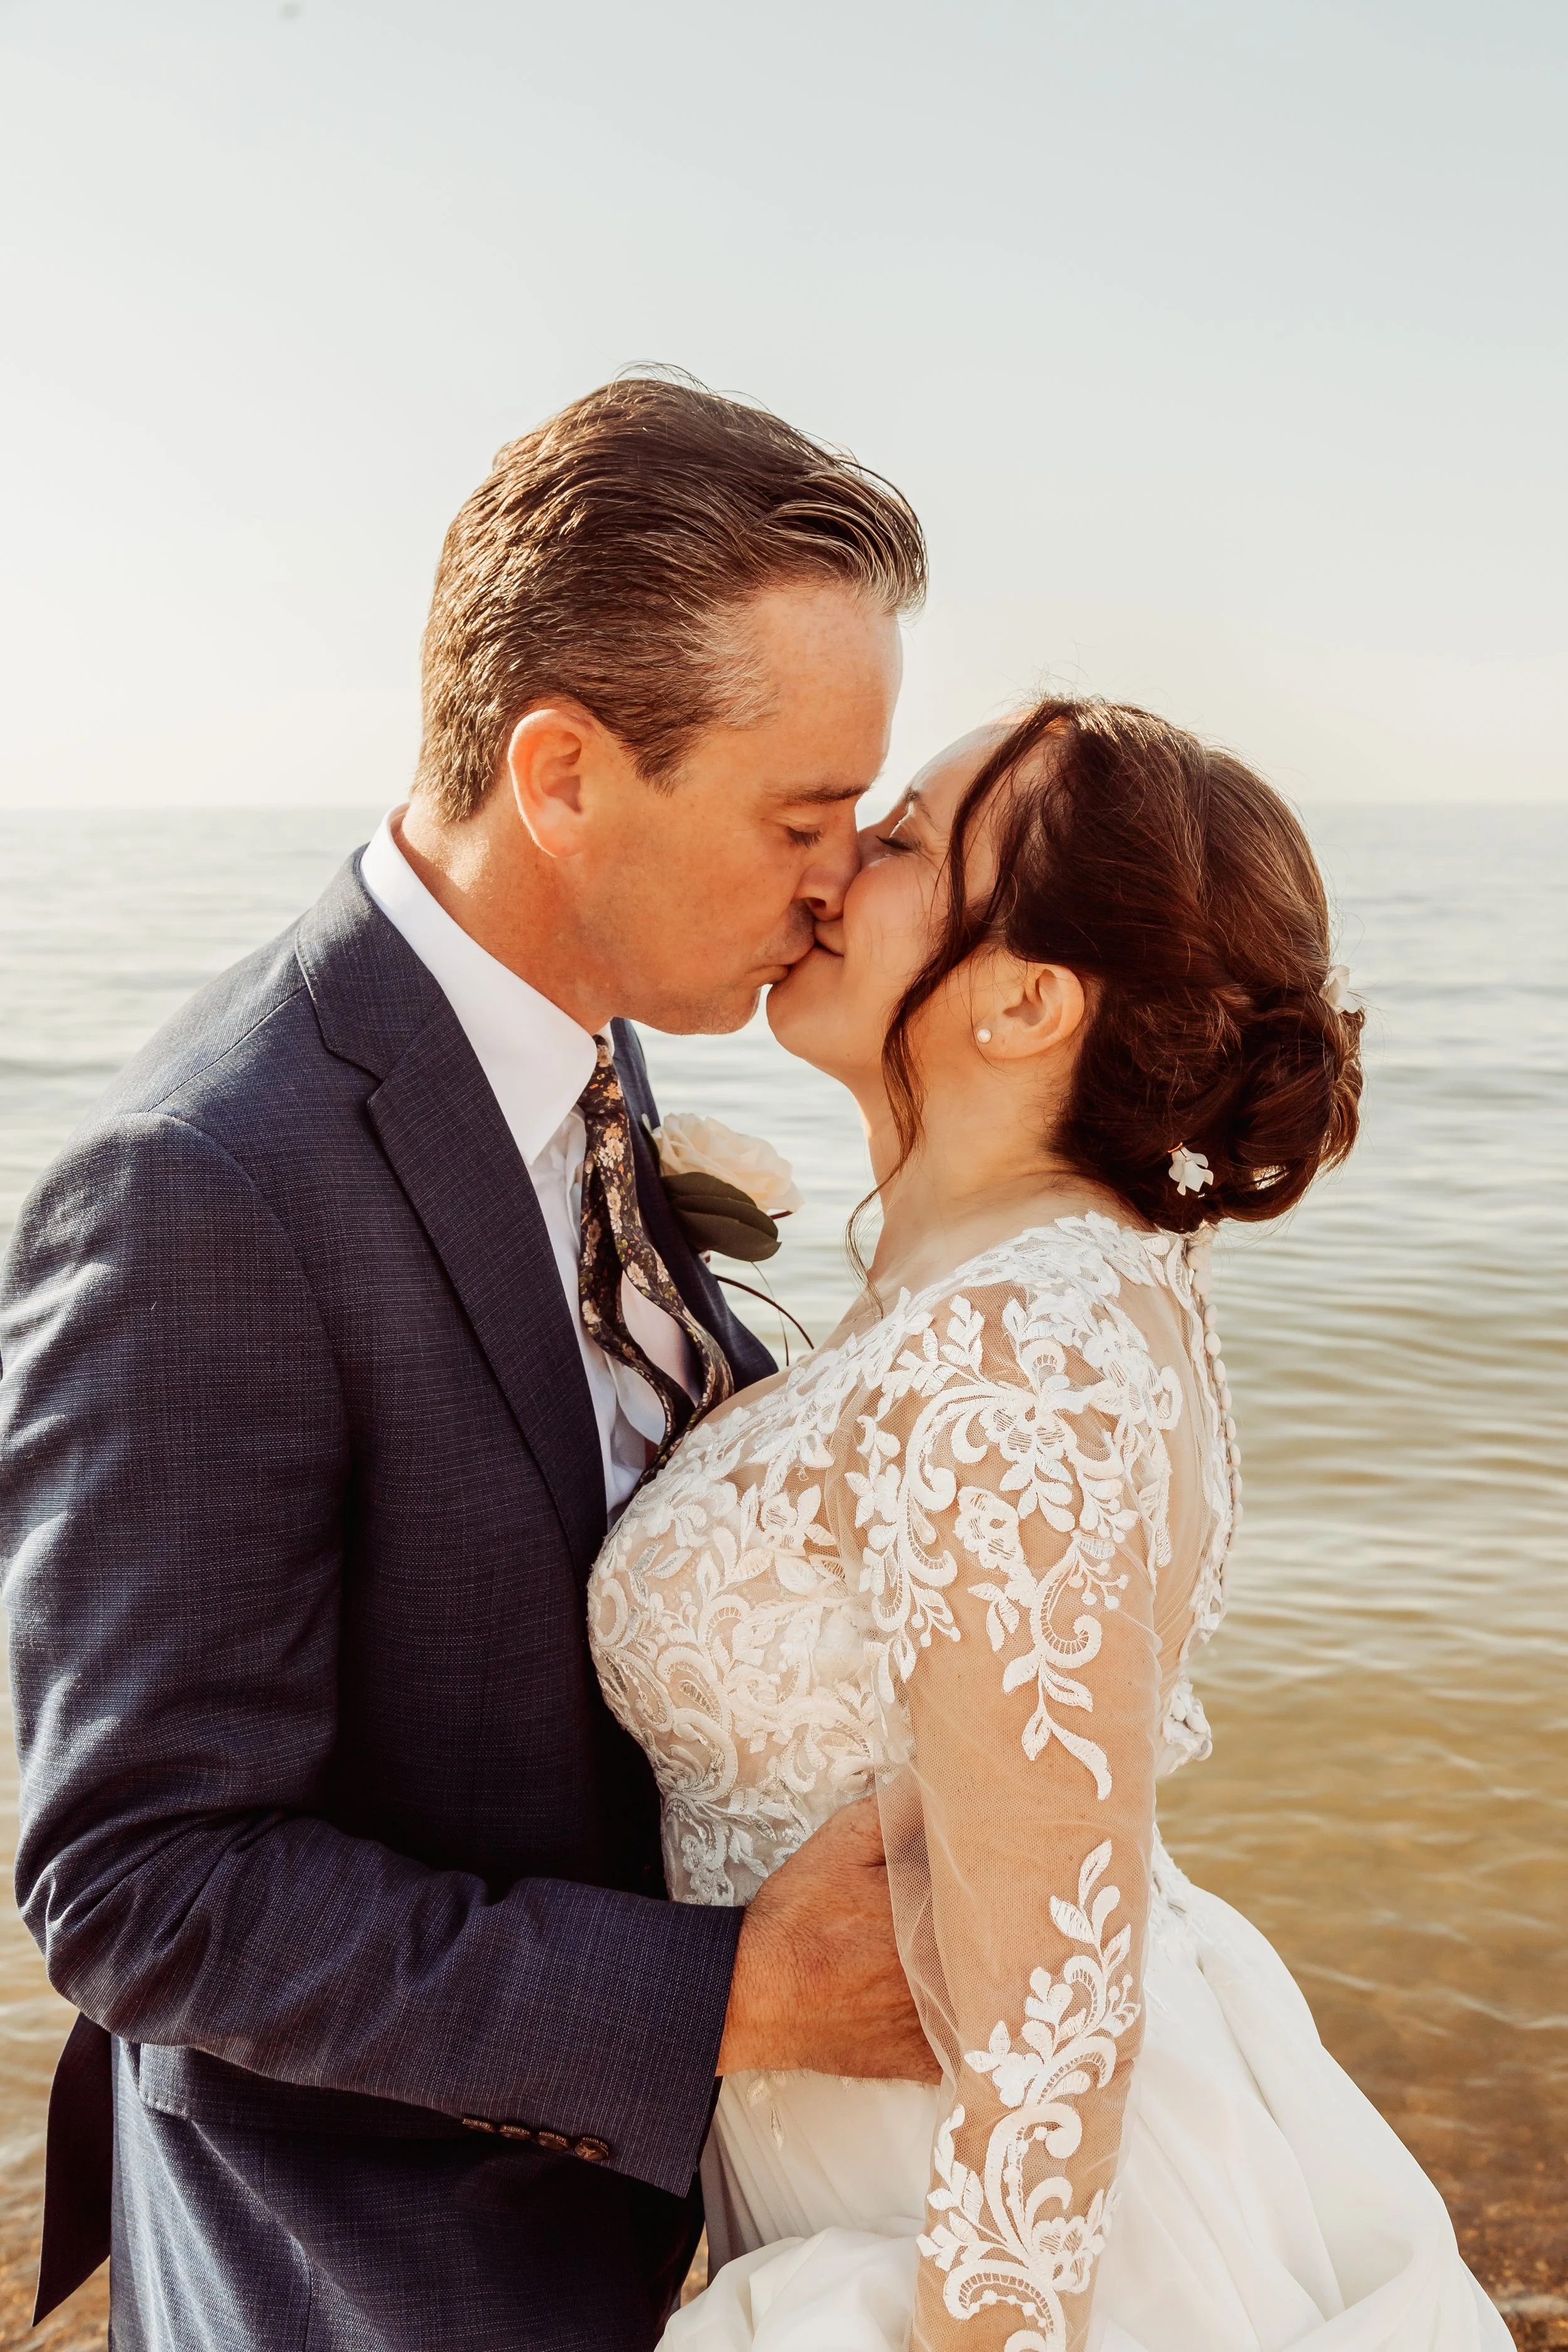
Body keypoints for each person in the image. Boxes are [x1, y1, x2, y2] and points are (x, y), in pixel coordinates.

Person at [0, 376, 935, 2350]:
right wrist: (733, 2000)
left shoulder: (595, 1017)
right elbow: (139, 1879)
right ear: (566, 771)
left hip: (650, 2227)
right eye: (799, 812)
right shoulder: (197, 1187)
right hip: (366, 2268)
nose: (839, 876)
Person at [588, 699, 1511, 2351]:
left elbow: (1044, 2024)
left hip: (999, 2235)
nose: (833, 859)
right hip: (851, 2160)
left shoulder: (1020, 1347)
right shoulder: (1018, 1288)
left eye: (902, 841)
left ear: (1021, 998)